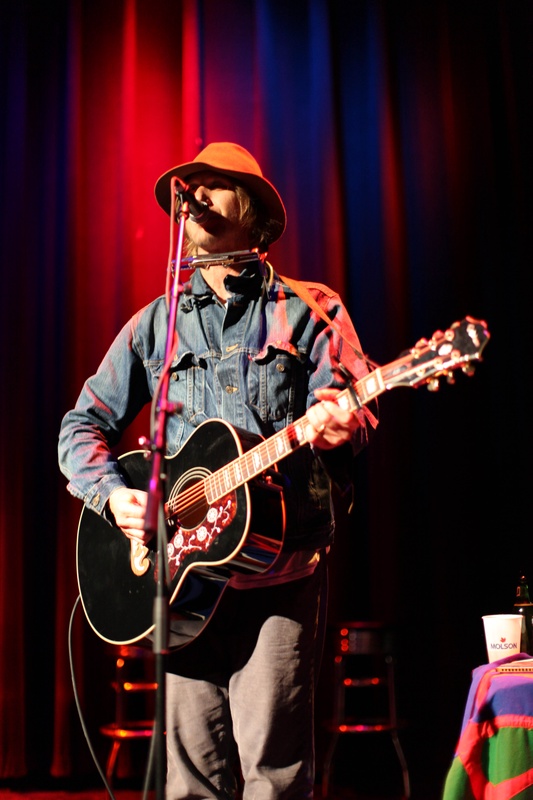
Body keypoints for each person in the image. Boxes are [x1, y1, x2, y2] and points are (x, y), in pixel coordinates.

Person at [58, 141, 378, 799]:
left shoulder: (308, 307)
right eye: (190, 186)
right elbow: (80, 426)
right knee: (190, 784)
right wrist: (113, 496)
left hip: (279, 574)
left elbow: (353, 403)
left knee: (273, 776)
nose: (196, 194)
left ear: (253, 212)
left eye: (215, 183)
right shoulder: (156, 324)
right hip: (180, 582)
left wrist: (340, 422)